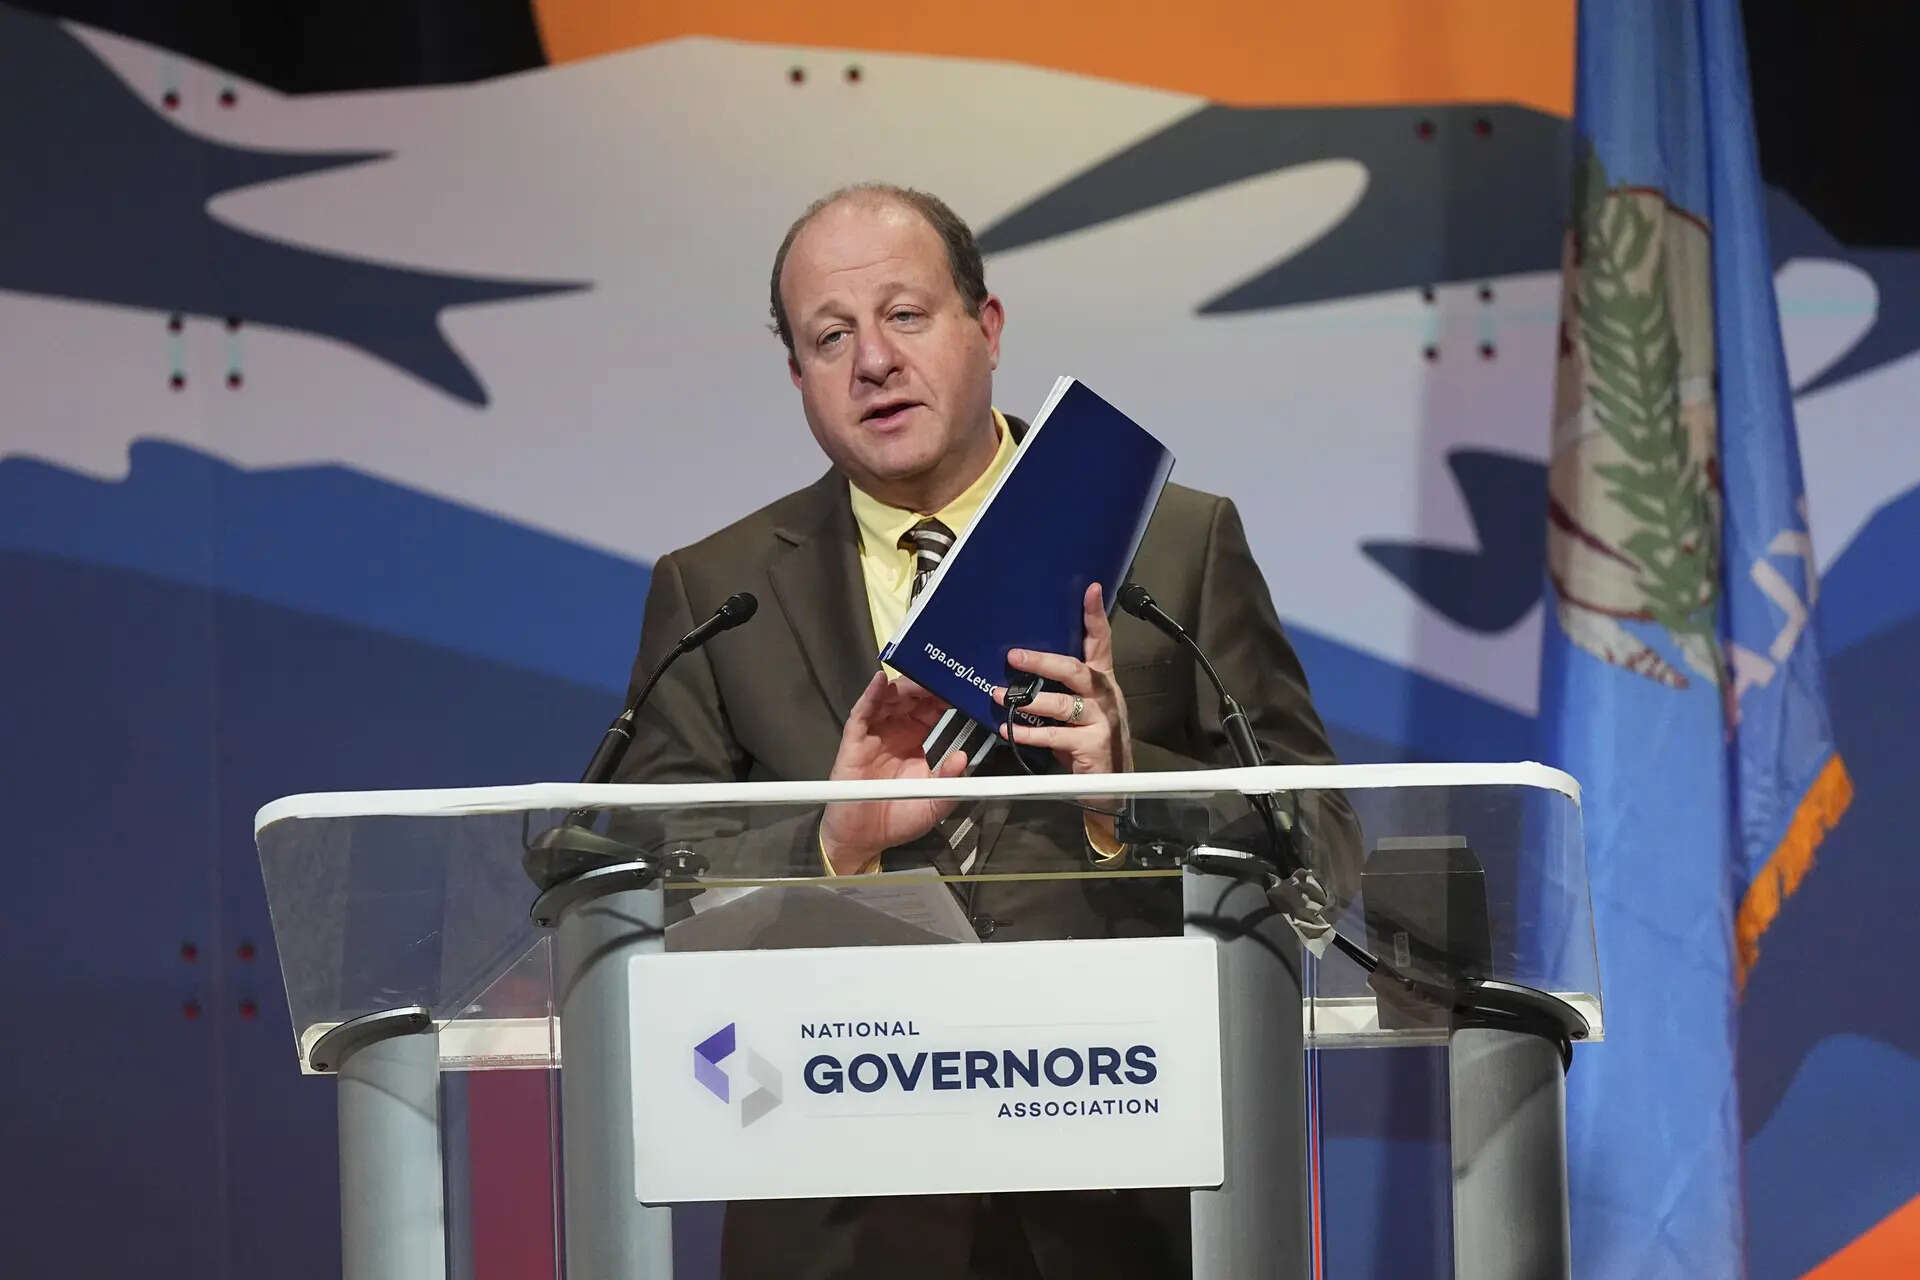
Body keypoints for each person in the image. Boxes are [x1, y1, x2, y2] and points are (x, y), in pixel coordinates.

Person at [612, 183, 1350, 1279]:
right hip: (836, 1205)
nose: (872, 360)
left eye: (906, 315)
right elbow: (635, 876)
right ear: (799, 378)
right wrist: (831, 839)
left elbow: (1322, 837)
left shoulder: (1174, 543)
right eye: (831, 336)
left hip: (1128, 1189)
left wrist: (1124, 794)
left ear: (986, 328)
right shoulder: (717, 591)